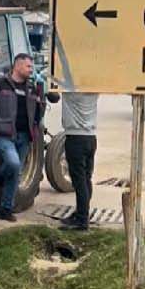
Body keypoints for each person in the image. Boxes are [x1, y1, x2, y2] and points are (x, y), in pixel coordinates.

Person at [0, 53, 41, 222]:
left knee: (15, 172)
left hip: (25, 136)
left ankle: (6, 209)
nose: (31, 70)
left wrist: (34, 126)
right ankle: (0, 177)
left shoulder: (32, 88)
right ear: (17, 66)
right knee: (13, 164)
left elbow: (38, 111)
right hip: (5, 134)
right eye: (28, 66)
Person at [60, 92, 99, 231]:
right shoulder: (93, 90)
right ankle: (82, 213)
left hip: (76, 137)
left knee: (79, 181)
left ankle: (82, 219)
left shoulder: (70, 90)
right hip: (91, 137)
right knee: (86, 179)